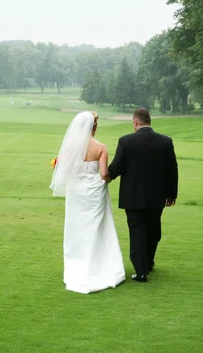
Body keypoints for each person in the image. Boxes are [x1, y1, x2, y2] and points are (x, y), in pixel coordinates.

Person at [50, 111, 125, 293]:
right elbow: (104, 174)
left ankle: (77, 263)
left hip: (75, 190)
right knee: (96, 226)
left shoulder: (70, 146)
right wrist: (106, 181)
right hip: (93, 190)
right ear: (95, 127)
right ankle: (98, 266)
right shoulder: (101, 147)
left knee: (77, 226)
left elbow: (64, 168)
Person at [106, 108, 178, 283]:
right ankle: (149, 262)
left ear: (135, 122)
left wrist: (102, 174)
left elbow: (116, 168)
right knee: (153, 229)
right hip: (157, 196)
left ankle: (141, 271)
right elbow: (172, 169)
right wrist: (171, 194)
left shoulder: (126, 141)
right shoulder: (165, 141)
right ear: (149, 121)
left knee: (137, 231)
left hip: (133, 197)